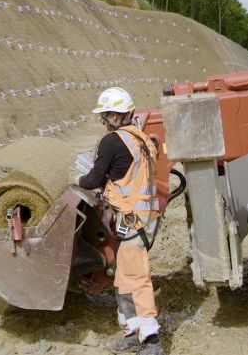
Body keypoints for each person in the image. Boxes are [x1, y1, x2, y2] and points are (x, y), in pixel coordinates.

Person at [75, 87, 164, 355]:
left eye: (104, 116)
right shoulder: (142, 139)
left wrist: (78, 181)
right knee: (123, 277)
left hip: (132, 219)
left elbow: (92, 180)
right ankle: (130, 329)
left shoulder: (112, 141)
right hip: (144, 217)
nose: (103, 121)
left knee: (136, 277)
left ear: (115, 115)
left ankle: (151, 341)